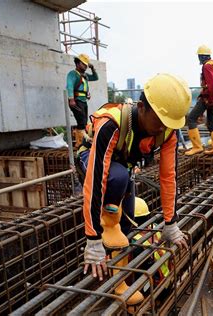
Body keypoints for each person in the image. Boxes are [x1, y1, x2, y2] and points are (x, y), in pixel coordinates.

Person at [77, 73, 190, 304]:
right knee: (116, 180)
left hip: (122, 169)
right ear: (142, 107)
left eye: (169, 124)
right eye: (159, 121)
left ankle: (119, 281)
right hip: (92, 161)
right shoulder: (113, 123)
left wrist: (171, 223)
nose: (162, 129)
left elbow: (168, 177)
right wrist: (92, 238)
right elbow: (95, 178)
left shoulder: (167, 132)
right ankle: (100, 263)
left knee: (126, 228)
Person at [185, 45, 213, 156]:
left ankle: (197, 147)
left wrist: (209, 99)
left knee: (191, 119)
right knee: (211, 124)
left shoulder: (206, 66)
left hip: (208, 97)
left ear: (201, 57)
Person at [66, 53, 99, 148]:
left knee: (84, 122)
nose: (85, 66)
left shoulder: (85, 75)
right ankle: (79, 143)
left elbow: (96, 77)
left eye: (86, 64)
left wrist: (93, 68)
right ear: (77, 63)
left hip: (83, 101)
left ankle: (81, 141)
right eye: (83, 64)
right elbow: (69, 86)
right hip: (76, 101)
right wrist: (71, 99)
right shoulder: (73, 74)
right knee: (81, 121)